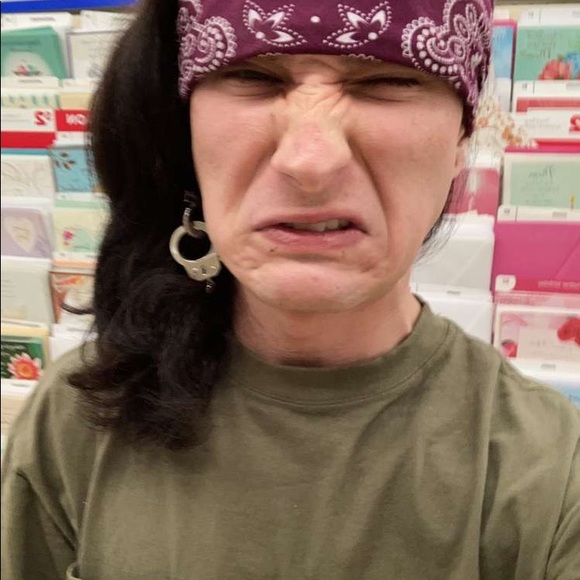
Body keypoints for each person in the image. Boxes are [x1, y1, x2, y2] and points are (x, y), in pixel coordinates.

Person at [1, 0, 579, 577]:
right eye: (253, 78)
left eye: (386, 81)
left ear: (460, 140)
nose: (310, 162)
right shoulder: (77, 419)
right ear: (186, 129)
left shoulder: (551, 474)